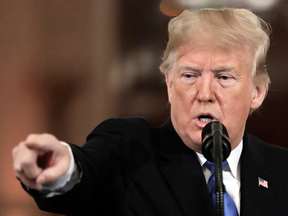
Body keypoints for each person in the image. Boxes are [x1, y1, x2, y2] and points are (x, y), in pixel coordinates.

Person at [12, 8, 288, 216]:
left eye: (224, 77)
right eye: (190, 75)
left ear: (257, 93)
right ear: (169, 83)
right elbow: (90, 171)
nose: (204, 94)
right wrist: (64, 171)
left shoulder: (282, 169)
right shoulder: (130, 150)